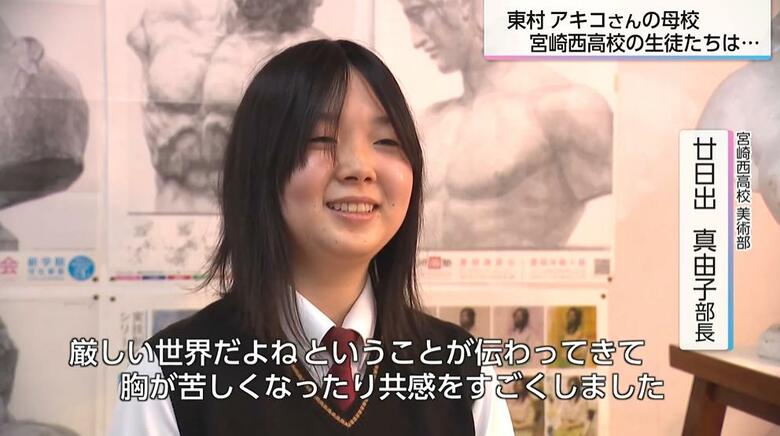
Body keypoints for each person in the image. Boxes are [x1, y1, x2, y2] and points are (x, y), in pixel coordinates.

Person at [108, 39, 512, 435]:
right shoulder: (171, 375)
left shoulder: (464, 370)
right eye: (321, 138)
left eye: (386, 141)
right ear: (260, 167)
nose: (359, 168)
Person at [398, 0, 613, 249]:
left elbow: (613, 239)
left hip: (533, 275)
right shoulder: (428, 124)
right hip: (426, 275)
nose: (415, 40)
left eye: (419, 14)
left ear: (463, 6)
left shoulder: (568, 109)